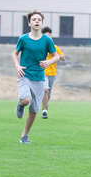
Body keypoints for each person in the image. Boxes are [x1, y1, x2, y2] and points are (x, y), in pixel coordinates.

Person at [12, 10, 59, 143]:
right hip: (25, 74)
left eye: (39, 19)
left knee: (34, 110)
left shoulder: (47, 40)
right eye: (34, 19)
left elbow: (56, 56)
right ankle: (20, 104)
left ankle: (24, 136)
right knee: (26, 100)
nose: (37, 21)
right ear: (29, 23)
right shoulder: (23, 39)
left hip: (39, 77)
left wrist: (48, 62)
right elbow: (14, 54)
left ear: (41, 23)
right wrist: (17, 66)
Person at [40, 26, 65, 119]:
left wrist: (55, 55)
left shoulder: (54, 48)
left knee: (49, 93)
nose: (49, 38)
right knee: (45, 90)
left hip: (52, 73)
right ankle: (44, 111)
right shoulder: (40, 47)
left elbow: (63, 58)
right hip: (43, 72)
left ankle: (45, 104)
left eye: (50, 36)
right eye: (47, 36)